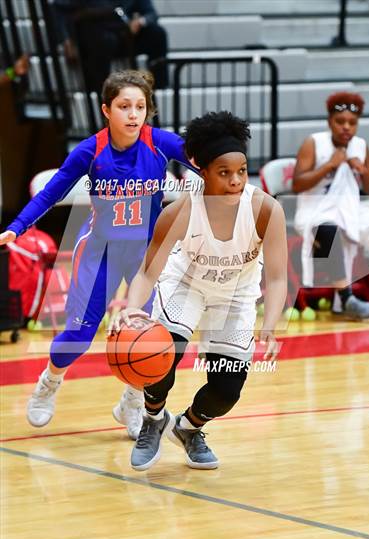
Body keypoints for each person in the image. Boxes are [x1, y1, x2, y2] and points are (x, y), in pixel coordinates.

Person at [0, 69, 194, 439]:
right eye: (124, 106)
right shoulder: (90, 150)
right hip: (99, 252)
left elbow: (207, 158)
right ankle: (48, 382)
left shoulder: (161, 143)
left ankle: (132, 402)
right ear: (106, 109)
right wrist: (17, 226)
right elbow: (50, 193)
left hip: (144, 256)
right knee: (78, 335)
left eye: (140, 106)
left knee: (149, 333)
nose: (134, 114)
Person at [110, 111, 287, 470]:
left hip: (236, 295)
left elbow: (279, 278)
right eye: (224, 173)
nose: (236, 180)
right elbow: (147, 272)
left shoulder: (266, 210)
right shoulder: (180, 212)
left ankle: (189, 427)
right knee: (160, 355)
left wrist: (271, 322)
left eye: (241, 171)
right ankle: (153, 418)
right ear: (202, 171)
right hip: (186, 284)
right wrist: (131, 307)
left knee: (226, 392)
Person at [292, 91, 369, 320]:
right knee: (330, 228)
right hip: (313, 211)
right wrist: (329, 165)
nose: (346, 127)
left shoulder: (361, 146)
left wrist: (363, 172)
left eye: (352, 123)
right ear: (329, 122)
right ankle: (347, 298)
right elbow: (297, 184)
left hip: (349, 210)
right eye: (340, 122)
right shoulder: (313, 143)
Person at [53, 0, 168, 93]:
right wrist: (66, 40)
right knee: (100, 40)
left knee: (157, 33)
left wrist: (141, 21)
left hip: (124, 34)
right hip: (94, 34)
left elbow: (151, 13)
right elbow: (59, 9)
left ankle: (160, 88)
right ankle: (98, 93)